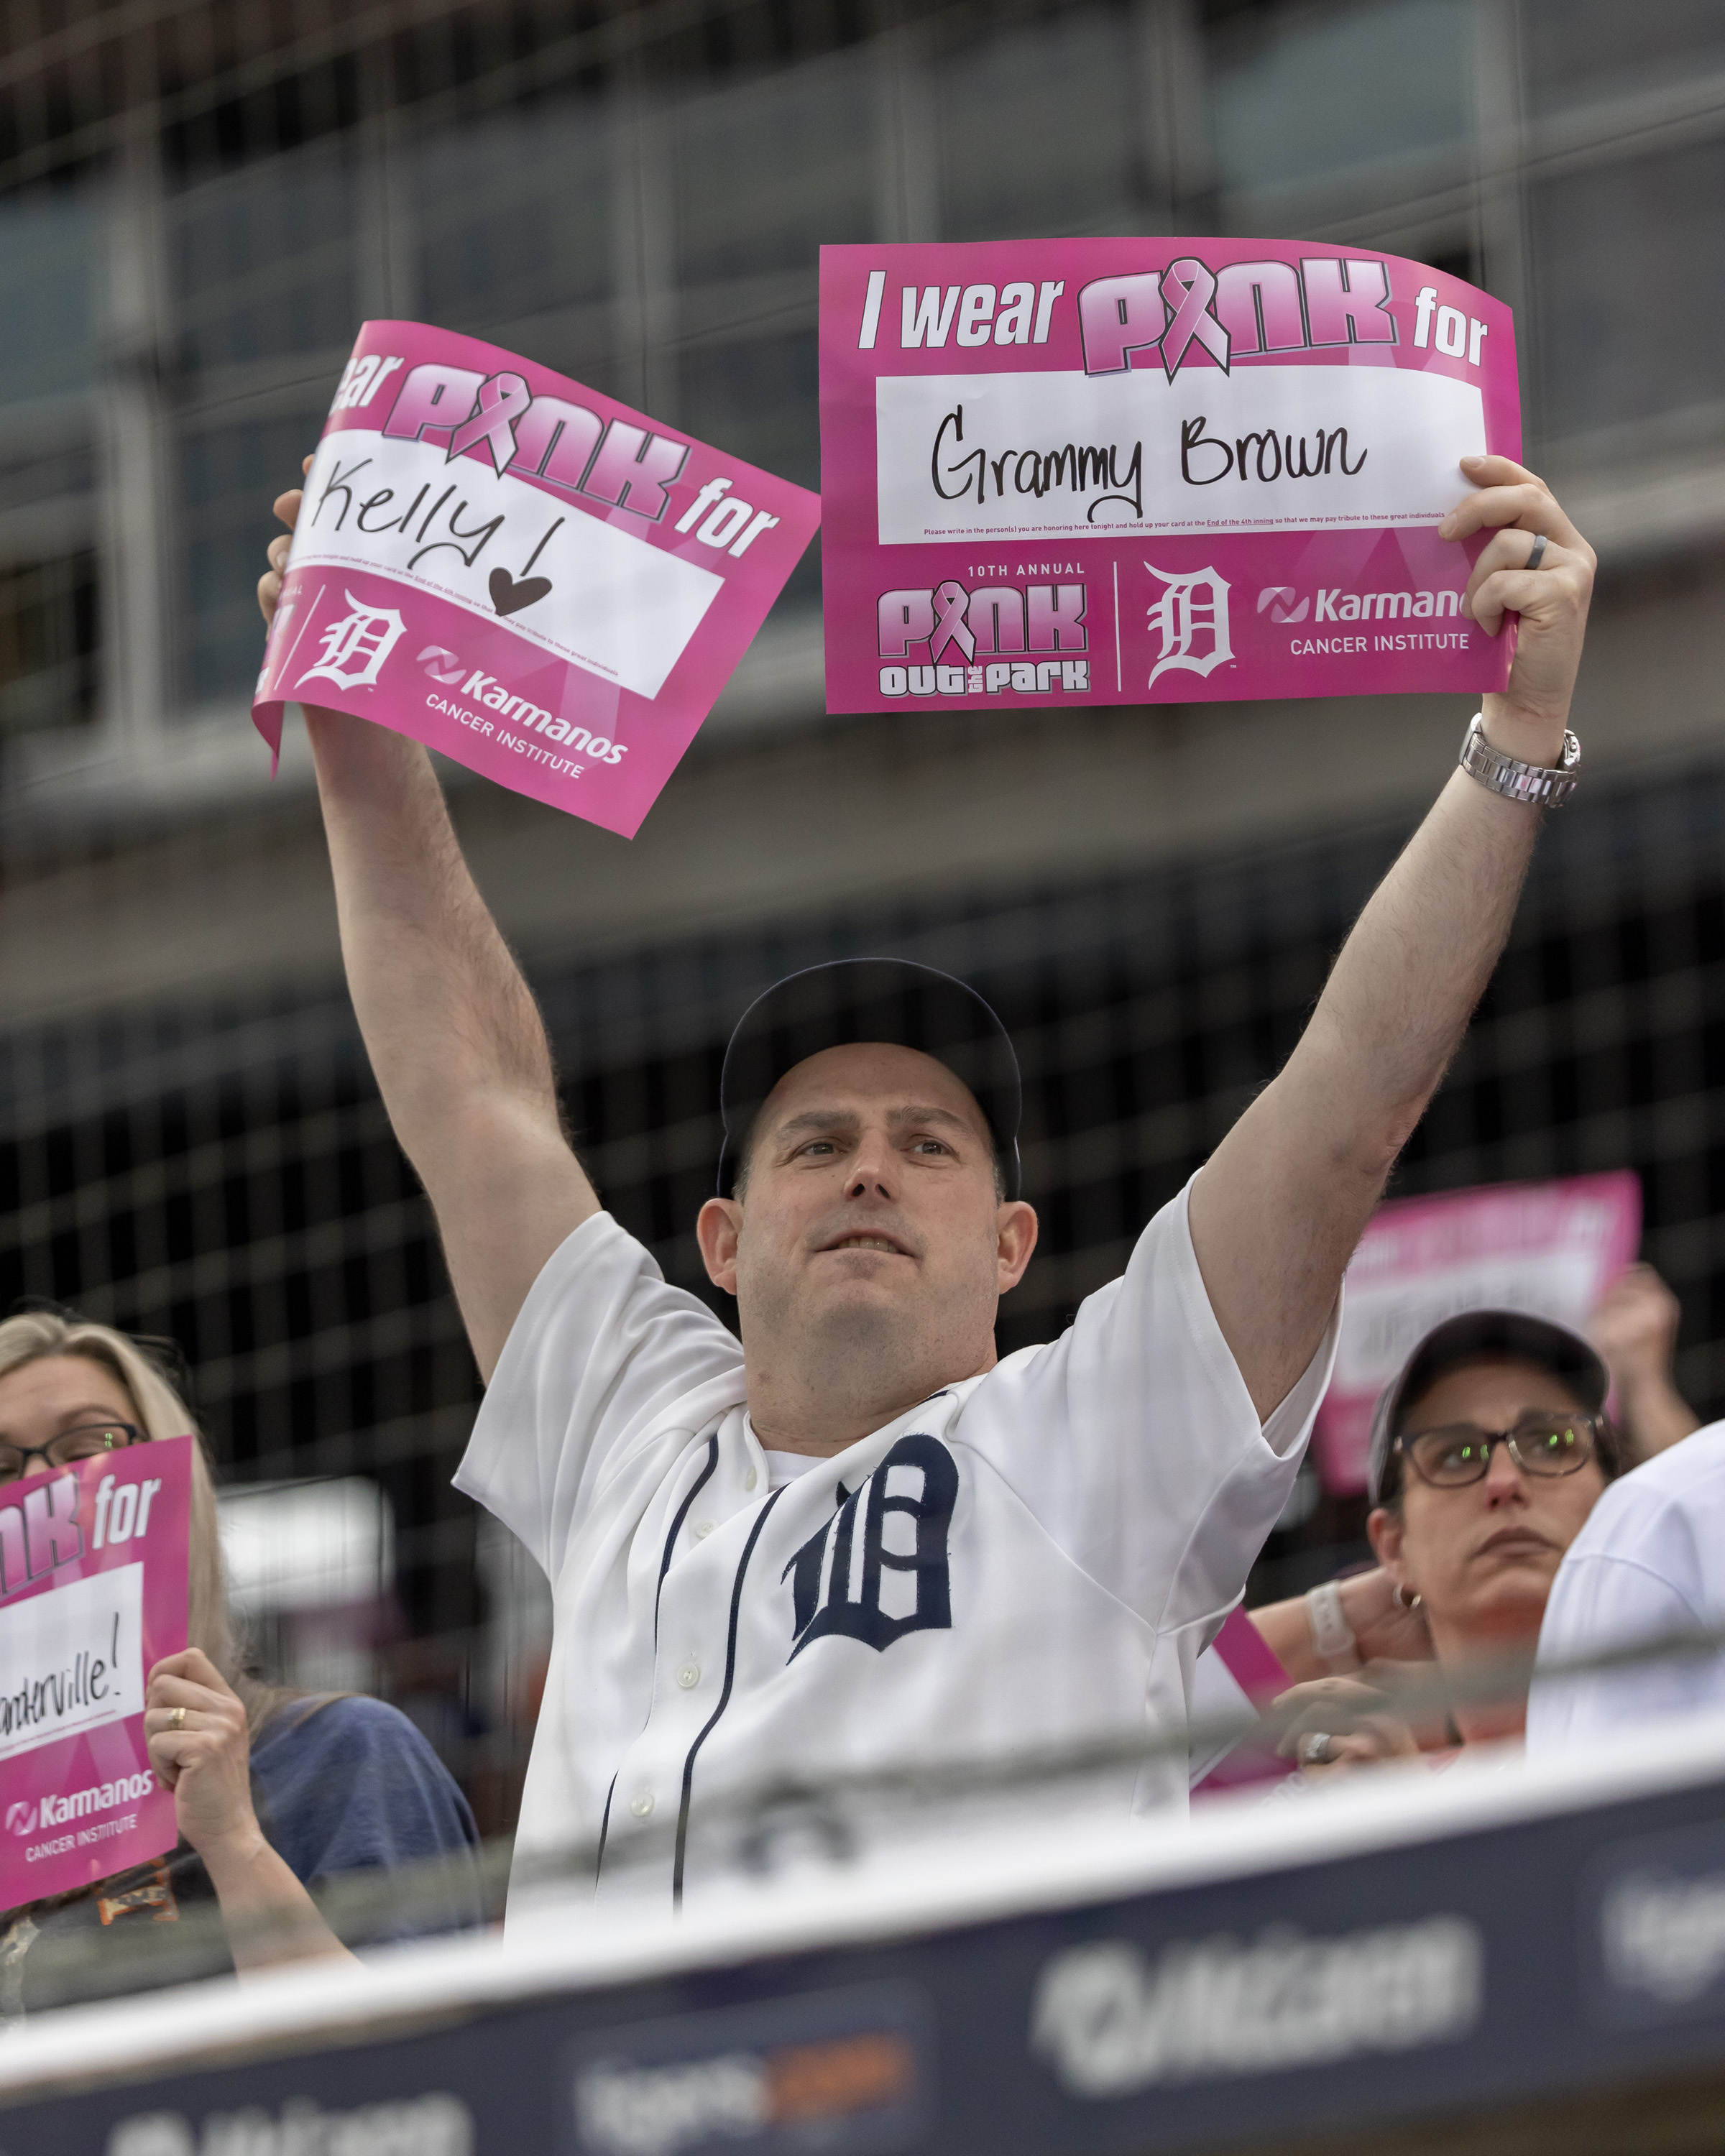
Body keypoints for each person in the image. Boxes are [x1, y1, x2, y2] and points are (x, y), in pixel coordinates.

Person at [260, 451, 1596, 1908]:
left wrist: (1517, 737)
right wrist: (359, 722)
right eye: (817, 1146)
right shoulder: (624, 1421)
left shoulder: (1097, 1438)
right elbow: (470, 1095)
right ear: (723, 1238)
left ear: (1015, 1243)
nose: (872, 1173)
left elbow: (1346, 1100)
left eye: (930, 1144)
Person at [0, 1309, 484, 2022]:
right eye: (1, 1465)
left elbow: (422, 2075)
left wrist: (232, 1841)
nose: (42, 1487)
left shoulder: (338, 1753)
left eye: (92, 1444)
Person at [1266, 1310, 1624, 1778]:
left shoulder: (1698, 1729)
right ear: (1393, 1549)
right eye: (1456, 1456)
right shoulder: (1370, 1786)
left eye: (1553, 1443)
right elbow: (1156, 1688)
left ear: (1618, 1505)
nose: (1504, 1481)